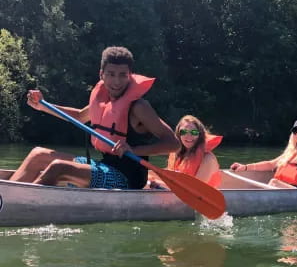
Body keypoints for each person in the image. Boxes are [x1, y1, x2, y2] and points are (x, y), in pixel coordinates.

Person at [9, 46, 180, 189]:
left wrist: (134, 151)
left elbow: (173, 144)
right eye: (111, 74)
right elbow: (79, 116)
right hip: (103, 165)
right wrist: (42, 105)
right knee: (38, 154)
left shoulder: (139, 107)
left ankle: (15, 206)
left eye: (122, 75)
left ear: (130, 75)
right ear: (101, 74)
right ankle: (8, 198)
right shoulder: (103, 101)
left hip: (126, 177)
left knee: (58, 168)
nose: (117, 81)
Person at [230, 118, 297, 188]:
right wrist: (245, 167)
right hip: (287, 191)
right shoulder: (294, 152)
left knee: (274, 182)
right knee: (274, 182)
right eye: (296, 130)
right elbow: (271, 164)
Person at [148, 115, 222, 188]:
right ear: (178, 134)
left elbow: (196, 188)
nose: (188, 136)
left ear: (200, 135)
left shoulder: (208, 158)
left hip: (200, 197)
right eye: (184, 132)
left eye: (194, 132)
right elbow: (171, 178)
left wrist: (158, 183)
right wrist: (151, 178)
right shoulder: (178, 154)